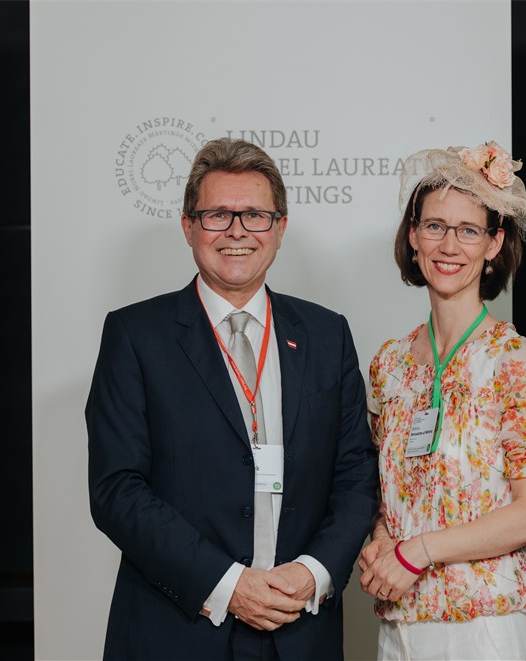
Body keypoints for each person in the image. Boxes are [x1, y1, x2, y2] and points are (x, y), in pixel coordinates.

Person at [86, 138, 379, 660]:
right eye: (218, 214)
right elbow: (117, 489)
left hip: (299, 631)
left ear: (281, 228)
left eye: (255, 215)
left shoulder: (326, 334)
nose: (237, 231)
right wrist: (227, 585)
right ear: (188, 226)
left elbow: (356, 473)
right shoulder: (135, 335)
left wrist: (312, 574)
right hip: (177, 631)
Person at [358, 142, 526, 660]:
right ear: (412, 234)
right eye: (434, 226)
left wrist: (417, 552)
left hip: (487, 629)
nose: (449, 245)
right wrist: (382, 543)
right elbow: (391, 496)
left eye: (468, 230)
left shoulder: (513, 360)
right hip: (401, 626)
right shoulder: (389, 364)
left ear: (494, 244)